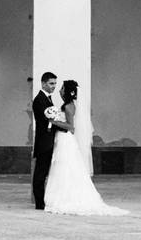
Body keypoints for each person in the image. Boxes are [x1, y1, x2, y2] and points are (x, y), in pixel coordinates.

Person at [44, 80, 128, 216]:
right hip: (62, 138)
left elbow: (71, 127)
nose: (60, 91)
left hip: (65, 139)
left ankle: (65, 197)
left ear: (68, 92)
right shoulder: (68, 105)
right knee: (63, 166)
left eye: (62, 88)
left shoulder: (68, 106)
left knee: (65, 166)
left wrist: (54, 121)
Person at [32, 72, 65, 210]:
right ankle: (39, 203)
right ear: (43, 83)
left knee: (45, 172)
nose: (54, 87)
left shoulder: (48, 99)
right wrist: (64, 127)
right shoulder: (39, 100)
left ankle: (43, 199)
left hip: (49, 140)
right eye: (51, 83)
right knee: (41, 172)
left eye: (55, 84)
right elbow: (47, 121)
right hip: (44, 142)